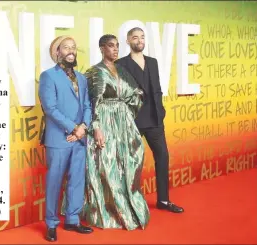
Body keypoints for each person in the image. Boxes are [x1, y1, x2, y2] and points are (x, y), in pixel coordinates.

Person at [83, 34, 150, 230]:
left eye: (117, 46)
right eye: (110, 46)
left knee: (131, 161)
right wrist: (96, 127)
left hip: (123, 123)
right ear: (101, 48)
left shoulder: (122, 70)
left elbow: (136, 93)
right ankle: (109, 211)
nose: (115, 49)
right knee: (107, 165)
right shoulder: (94, 72)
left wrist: (125, 111)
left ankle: (130, 207)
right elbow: (91, 102)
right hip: (104, 123)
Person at [115, 27, 184, 213]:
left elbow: (157, 88)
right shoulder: (120, 64)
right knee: (131, 162)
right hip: (133, 121)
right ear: (128, 41)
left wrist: (161, 112)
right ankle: (128, 204)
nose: (140, 40)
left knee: (163, 156)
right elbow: (120, 94)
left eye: (142, 37)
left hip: (154, 119)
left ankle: (163, 200)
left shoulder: (152, 62)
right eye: (135, 37)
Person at [39, 35, 93, 242]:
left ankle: (72, 220)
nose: (71, 51)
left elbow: (88, 105)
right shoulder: (48, 77)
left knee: (77, 180)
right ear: (57, 52)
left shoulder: (82, 78)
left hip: (79, 139)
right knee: (54, 182)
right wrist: (73, 128)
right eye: (66, 47)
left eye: (74, 47)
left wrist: (83, 128)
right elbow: (50, 108)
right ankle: (51, 224)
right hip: (59, 139)